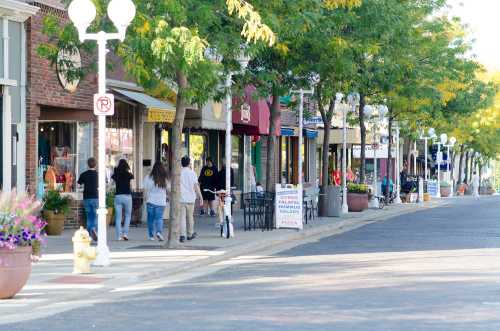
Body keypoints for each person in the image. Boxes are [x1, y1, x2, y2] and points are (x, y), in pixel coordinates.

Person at [180, 156, 203, 243]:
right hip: (191, 198)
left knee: (182, 218)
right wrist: (200, 196)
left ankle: (182, 235)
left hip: (181, 198)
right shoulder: (192, 173)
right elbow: (196, 186)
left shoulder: (179, 173)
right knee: (190, 217)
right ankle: (190, 234)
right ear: (189, 163)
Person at [143, 161, 168, 241]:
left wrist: (145, 199)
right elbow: (169, 189)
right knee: (159, 218)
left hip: (150, 201)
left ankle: (151, 236)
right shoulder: (165, 177)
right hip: (161, 202)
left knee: (150, 219)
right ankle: (159, 232)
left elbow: (145, 190)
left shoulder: (148, 177)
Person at [111, 159, 134, 241]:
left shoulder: (116, 174)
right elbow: (132, 178)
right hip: (127, 196)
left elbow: (112, 180)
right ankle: (125, 234)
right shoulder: (128, 174)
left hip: (118, 196)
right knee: (128, 216)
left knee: (118, 217)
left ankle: (118, 236)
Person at [77, 157, 98, 242]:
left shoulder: (84, 174)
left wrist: (83, 187)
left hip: (86, 198)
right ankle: (94, 230)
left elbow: (79, 184)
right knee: (95, 216)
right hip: (95, 197)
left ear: (87, 164)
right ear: (95, 164)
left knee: (89, 217)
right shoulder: (98, 174)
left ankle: (90, 234)